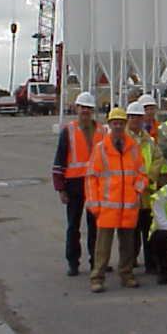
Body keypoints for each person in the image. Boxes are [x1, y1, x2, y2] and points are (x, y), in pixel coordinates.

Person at [86, 107, 147, 292]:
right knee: (102, 247)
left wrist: (136, 191)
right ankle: (97, 278)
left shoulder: (134, 148)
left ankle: (126, 275)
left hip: (128, 206)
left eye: (121, 123)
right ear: (110, 124)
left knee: (127, 246)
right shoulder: (101, 149)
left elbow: (142, 174)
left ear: (125, 124)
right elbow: (91, 177)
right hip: (107, 206)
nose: (118, 126)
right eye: (115, 123)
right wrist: (94, 204)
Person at [51, 90, 105, 276]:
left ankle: (96, 261)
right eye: (82, 107)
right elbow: (59, 159)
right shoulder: (68, 130)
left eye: (88, 108)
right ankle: (73, 262)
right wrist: (60, 188)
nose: (85, 111)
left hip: (95, 185)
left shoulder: (102, 131)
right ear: (76, 108)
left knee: (95, 227)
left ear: (92, 110)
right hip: (74, 184)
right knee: (73, 225)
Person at [127, 100, 162, 273]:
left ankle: (151, 263)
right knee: (131, 232)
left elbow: (157, 158)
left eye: (139, 117)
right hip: (130, 192)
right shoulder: (123, 139)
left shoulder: (148, 139)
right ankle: (130, 261)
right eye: (133, 117)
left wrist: (149, 179)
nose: (136, 121)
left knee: (149, 230)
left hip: (147, 192)